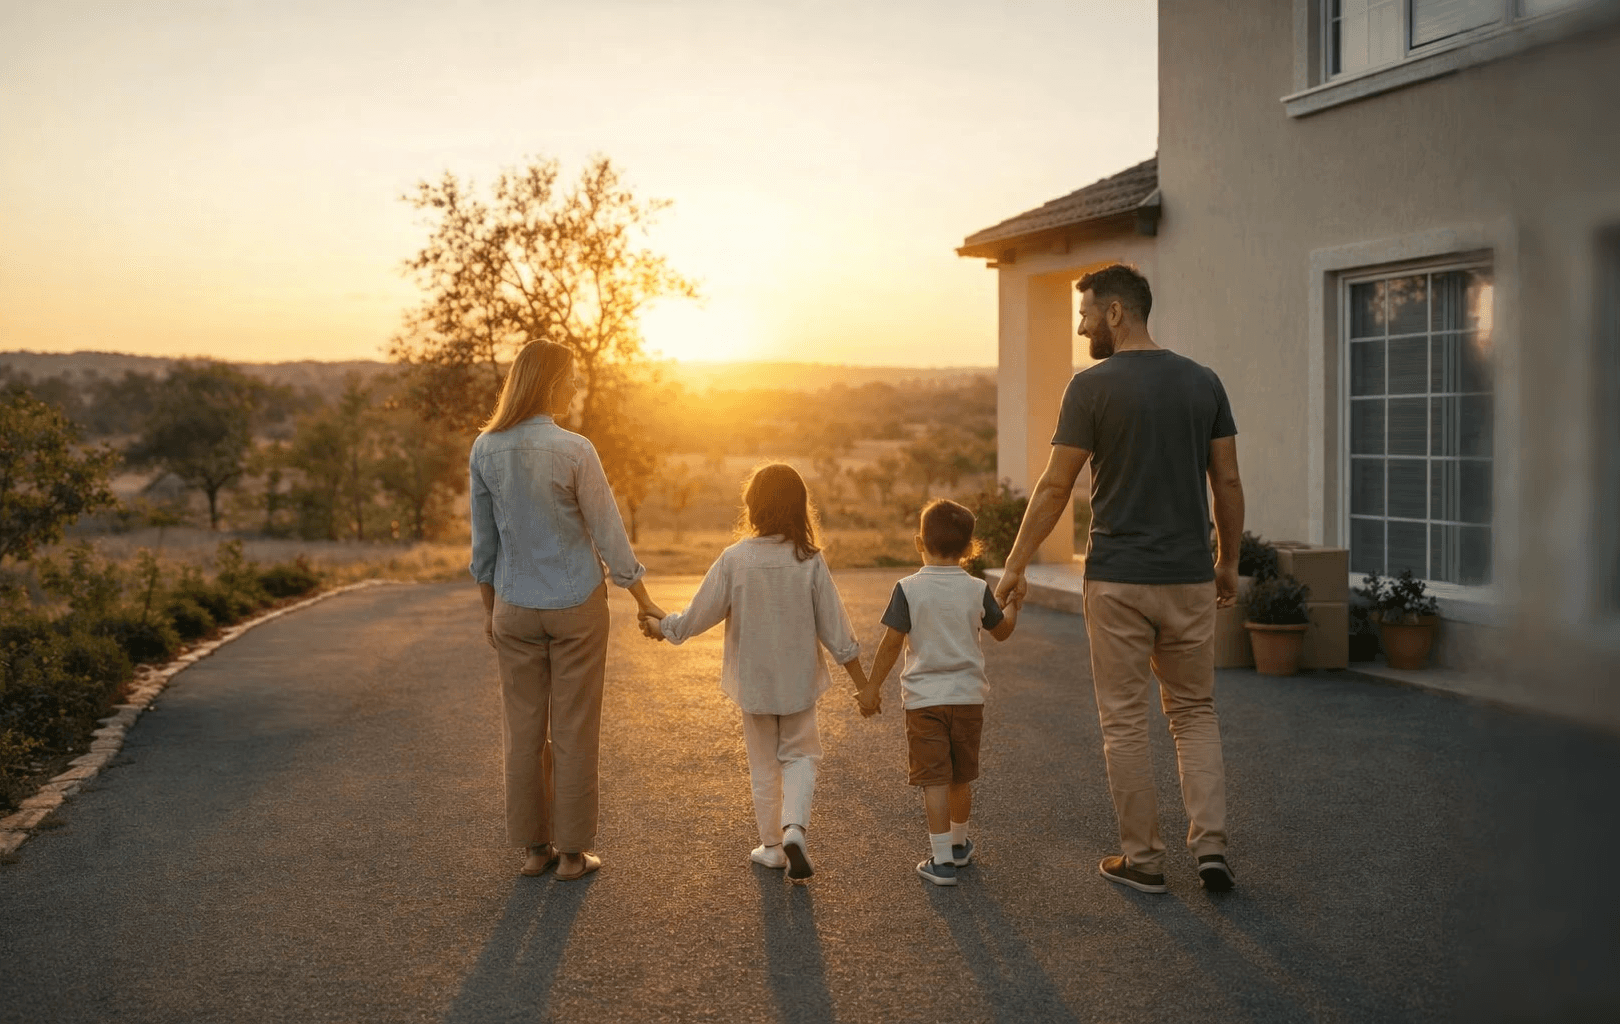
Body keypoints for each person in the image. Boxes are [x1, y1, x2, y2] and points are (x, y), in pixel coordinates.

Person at [993, 263, 1244, 895]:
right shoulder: (1204, 383)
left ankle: (1145, 861)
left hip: (1117, 582)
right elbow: (1228, 483)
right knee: (1194, 712)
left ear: (1115, 313)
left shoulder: (1091, 388)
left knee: (1126, 720)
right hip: (1189, 578)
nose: (1080, 328)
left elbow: (1056, 486)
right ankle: (1211, 849)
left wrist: (1017, 563)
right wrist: (1229, 561)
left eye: (1085, 315)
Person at [469, 340, 666, 881]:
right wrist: (642, 599)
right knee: (576, 726)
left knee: (523, 728)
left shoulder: (485, 449)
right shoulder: (576, 449)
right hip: (577, 603)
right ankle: (573, 855)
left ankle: (535, 850)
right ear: (550, 383)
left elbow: (483, 545)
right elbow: (608, 531)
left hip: (514, 605)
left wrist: (489, 608)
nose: (576, 387)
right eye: (571, 379)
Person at [639, 463, 866, 882]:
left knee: (763, 763)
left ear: (753, 507)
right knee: (800, 755)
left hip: (755, 684)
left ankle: (773, 848)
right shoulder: (810, 561)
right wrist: (864, 686)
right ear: (800, 508)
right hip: (798, 682)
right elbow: (837, 629)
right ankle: (795, 827)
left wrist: (661, 627)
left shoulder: (735, 559)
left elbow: (695, 618)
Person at [857, 499, 1019, 886]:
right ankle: (960, 846)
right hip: (967, 699)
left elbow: (891, 643)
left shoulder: (908, 588)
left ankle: (942, 859)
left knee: (934, 780)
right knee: (961, 777)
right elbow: (1002, 631)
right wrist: (1014, 604)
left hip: (924, 702)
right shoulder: (978, 589)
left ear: (919, 542)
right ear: (968, 549)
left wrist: (872, 687)